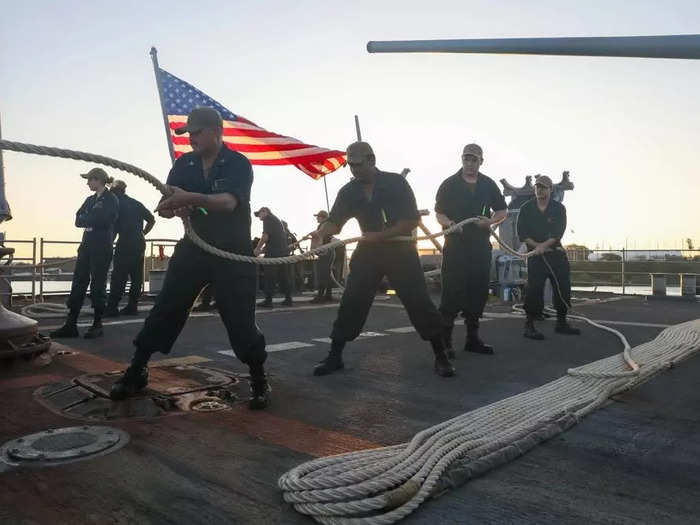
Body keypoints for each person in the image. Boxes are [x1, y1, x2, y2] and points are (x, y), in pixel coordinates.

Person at [109, 107, 270, 409]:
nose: (191, 138)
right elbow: (163, 207)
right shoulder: (184, 165)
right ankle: (137, 368)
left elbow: (228, 202)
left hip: (232, 252)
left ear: (215, 131)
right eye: (188, 134)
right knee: (166, 305)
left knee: (239, 318)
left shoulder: (237, 164)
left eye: (196, 132)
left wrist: (191, 199)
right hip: (194, 248)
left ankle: (258, 376)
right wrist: (174, 207)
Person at [311, 141, 455, 378]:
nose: (354, 170)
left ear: (372, 160)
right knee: (352, 301)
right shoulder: (349, 191)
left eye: (358, 165)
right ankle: (335, 356)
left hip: (400, 251)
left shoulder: (396, 183)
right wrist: (320, 233)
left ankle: (441, 355)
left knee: (419, 301)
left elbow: (409, 221)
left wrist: (380, 235)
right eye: (351, 165)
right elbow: (335, 221)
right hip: (368, 252)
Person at [435, 143, 508, 358]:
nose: (469, 162)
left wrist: (491, 221)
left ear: (481, 161)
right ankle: (445, 341)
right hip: (456, 247)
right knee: (451, 292)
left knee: (478, 291)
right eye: (466, 158)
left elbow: (502, 210)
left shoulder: (488, 185)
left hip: (480, 247)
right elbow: (438, 213)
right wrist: (448, 223)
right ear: (461, 159)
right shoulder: (448, 184)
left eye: (474, 159)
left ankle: (472, 339)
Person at [51, 168, 119, 339]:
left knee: (98, 284)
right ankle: (71, 324)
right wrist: (91, 218)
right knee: (78, 282)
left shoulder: (111, 199)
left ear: (99, 180)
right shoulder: (89, 200)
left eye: (90, 180)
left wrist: (89, 218)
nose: (88, 183)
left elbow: (105, 220)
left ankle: (97, 324)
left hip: (101, 246)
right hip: (87, 245)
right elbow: (77, 219)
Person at [517, 175, 581, 339]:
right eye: (538, 187)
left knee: (562, 287)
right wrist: (536, 247)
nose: (540, 190)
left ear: (550, 189)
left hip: (555, 255)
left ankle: (561, 322)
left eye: (544, 187)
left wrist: (542, 246)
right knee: (533, 290)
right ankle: (529, 324)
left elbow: (557, 233)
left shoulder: (559, 209)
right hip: (535, 257)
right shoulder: (526, 209)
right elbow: (522, 233)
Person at [104, 180, 155, 317]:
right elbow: (151, 219)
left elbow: (113, 228)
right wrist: (143, 233)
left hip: (125, 243)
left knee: (119, 276)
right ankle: (133, 306)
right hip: (139, 242)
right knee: (136, 277)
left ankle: (112, 307)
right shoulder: (136, 203)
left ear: (117, 191)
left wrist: (108, 243)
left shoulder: (117, 205)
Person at [253, 207, 292, 307]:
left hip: (273, 254)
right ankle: (288, 299)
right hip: (282, 252)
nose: (258, 217)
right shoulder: (275, 220)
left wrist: (257, 248)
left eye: (259, 214)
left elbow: (265, 236)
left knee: (269, 276)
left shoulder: (268, 219)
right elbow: (274, 240)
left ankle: (268, 300)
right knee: (283, 276)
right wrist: (262, 250)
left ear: (265, 212)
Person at [310, 210, 335, 303]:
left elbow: (318, 236)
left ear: (323, 217)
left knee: (322, 274)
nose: (317, 218)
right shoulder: (326, 226)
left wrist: (313, 249)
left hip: (325, 252)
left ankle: (320, 296)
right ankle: (328, 295)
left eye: (318, 216)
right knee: (327, 274)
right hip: (329, 251)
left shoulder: (323, 226)